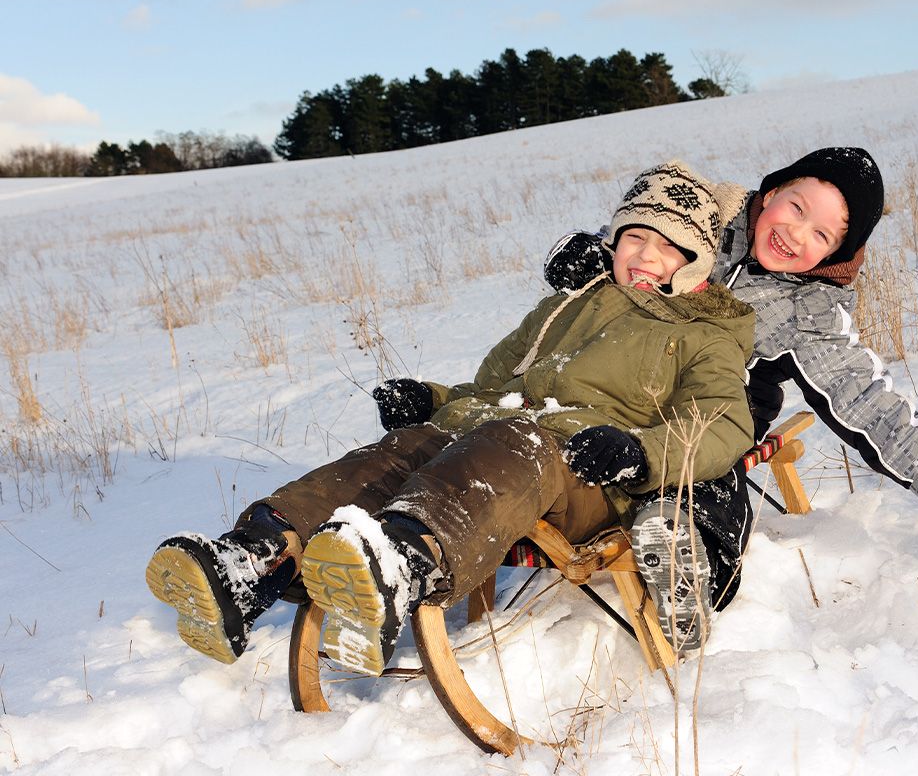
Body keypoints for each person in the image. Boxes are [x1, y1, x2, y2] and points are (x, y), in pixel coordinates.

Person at [146, 161, 756, 673]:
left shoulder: (708, 335)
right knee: (406, 447)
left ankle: (404, 563)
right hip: (499, 439)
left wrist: (640, 452)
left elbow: (724, 427)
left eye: (669, 246)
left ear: (697, 259)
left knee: (511, 440)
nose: (645, 257)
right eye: (634, 238)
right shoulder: (568, 305)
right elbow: (493, 388)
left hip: (584, 473)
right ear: (614, 239)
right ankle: (254, 559)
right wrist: (436, 399)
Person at [542, 148, 918, 576]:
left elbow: (867, 403)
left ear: (834, 254)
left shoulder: (808, 312)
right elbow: (634, 237)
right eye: (796, 208)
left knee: (708, 474)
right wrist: (585, 254)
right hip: (617, 381)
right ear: (770, 194)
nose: (795, 233)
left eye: (822, 234)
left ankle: (693, 556)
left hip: (712, 415)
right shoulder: (707, 216)